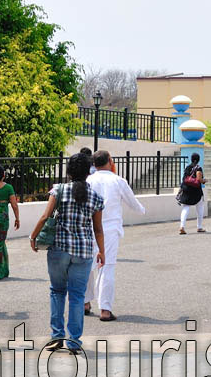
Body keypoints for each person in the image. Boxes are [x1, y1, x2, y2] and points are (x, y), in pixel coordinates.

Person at [28, 152, 104, 354]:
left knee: (57, 291)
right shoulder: (95, 197)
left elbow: (45, 216)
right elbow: (98, 229)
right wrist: (102, 252)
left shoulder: (59, 190)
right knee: (78, 297)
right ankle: (74, 342)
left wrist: (33, 236)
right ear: (88, 172)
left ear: (69, 171)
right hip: (83, 252)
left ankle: (56, 337)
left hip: (59, 250)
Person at [84, 150, 145, 321]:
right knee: (106, 267)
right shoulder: (118, 181)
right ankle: (105, 309)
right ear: (110, 161)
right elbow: (133, 203)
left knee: (87, 265)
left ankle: (85, 302)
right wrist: (142, 210)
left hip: (88, 227)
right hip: (109, 230)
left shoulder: (88, 180)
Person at [178, 153, 206, 234]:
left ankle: (182, 226)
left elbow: (184, 178)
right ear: (198, 160)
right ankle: (199, 227)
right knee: (200, 207)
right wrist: (204, 180)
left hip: (186, 190)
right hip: (196, 191)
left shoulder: (187, 167)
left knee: (185, 207)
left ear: (191, 159)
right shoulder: (198, 168)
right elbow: (199, 179)